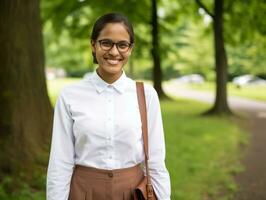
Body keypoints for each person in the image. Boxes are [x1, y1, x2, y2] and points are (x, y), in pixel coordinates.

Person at [46, 13, 171, 200]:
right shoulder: (70, 96)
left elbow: (156, 161)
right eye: (106, 43)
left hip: (132, 193)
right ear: (93, 45)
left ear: (130, 49)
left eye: (122, 45)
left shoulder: (147, 95)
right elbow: (60, 162)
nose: (114, 52)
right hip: (83, 192)